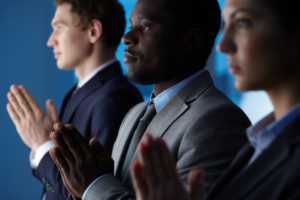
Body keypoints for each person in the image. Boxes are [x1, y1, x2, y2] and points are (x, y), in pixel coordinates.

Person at [48, 0, 251, 199]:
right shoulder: (134, 114)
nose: (127, 37)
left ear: (190, 41)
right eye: (130, 26)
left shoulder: (219, 121)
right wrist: (85, 184)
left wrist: (93, 184)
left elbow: (98, 188)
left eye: (146, 26)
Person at [130, 0, 300, 199]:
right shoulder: (259, 141)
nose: (222, 45)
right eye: (226, 25)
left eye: (243, 23)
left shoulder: (221, 121)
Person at [6, 0, 142, 199]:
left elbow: (92, 192)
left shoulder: (114, 98)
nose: (50, 40)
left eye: (59, 28)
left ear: (93, 31)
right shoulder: (77, 91)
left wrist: (43, 144)